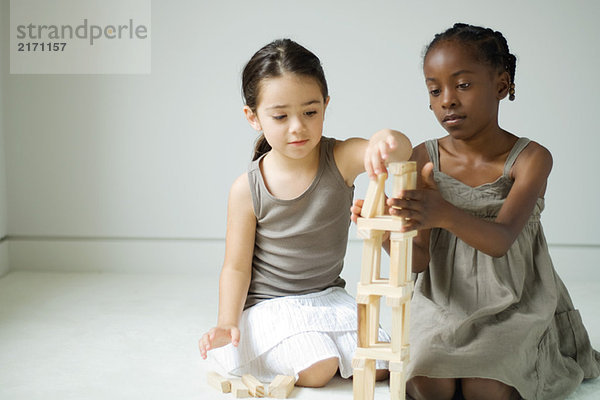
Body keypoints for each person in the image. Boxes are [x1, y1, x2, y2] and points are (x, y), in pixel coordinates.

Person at [352, 23, 600, 400]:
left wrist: (443, 213)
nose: (447, 100)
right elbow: (419, 261)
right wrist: (385, 233)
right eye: (435, 90)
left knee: (488, 390)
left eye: (463, 85)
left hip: (513, 303)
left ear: (501, 85)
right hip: (442, 304)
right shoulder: (424, 158)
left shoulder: (530, 159)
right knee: (423, 388)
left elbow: (500, 240)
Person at [198, 38, 412, 388]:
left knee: (380, 363)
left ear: (326, 105)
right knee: (319, 368)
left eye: (310, 112)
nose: (297, 127)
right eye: (280, 116)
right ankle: (273, 347)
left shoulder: (339, 158)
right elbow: (235, 266)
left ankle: (329, 342)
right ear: (253, 117)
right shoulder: (247, 188)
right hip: (271, 306)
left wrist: (385, 139)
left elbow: (397, 152)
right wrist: (227, 320)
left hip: (327, 297)